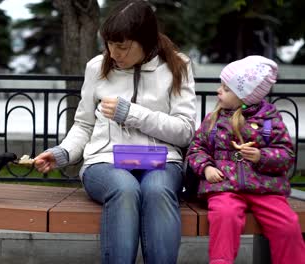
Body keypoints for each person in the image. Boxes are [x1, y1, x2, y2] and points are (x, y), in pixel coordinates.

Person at [34, 0, 197, 263]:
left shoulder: (177, 66)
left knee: (156, 191)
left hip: (162, 161)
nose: (114, 53)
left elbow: (185, 132)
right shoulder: (96, 67)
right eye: (109, 44)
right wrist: (64, 153)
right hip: (105, 162)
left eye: (122, 46)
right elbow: (84, 124)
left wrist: (132, 114)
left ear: (145, 40)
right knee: (124, 188)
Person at [186, 55, 305, 264]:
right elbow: (196, 148)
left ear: (245, 96)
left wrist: (261, 156)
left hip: (265, 189)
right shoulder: (214, 119)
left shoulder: (270, 120)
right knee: (225, 215)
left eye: (226, 88)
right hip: (224, 188)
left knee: (287, 224)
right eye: (220, 86)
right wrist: (206, 168)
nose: (218, 91)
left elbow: (286, 155)